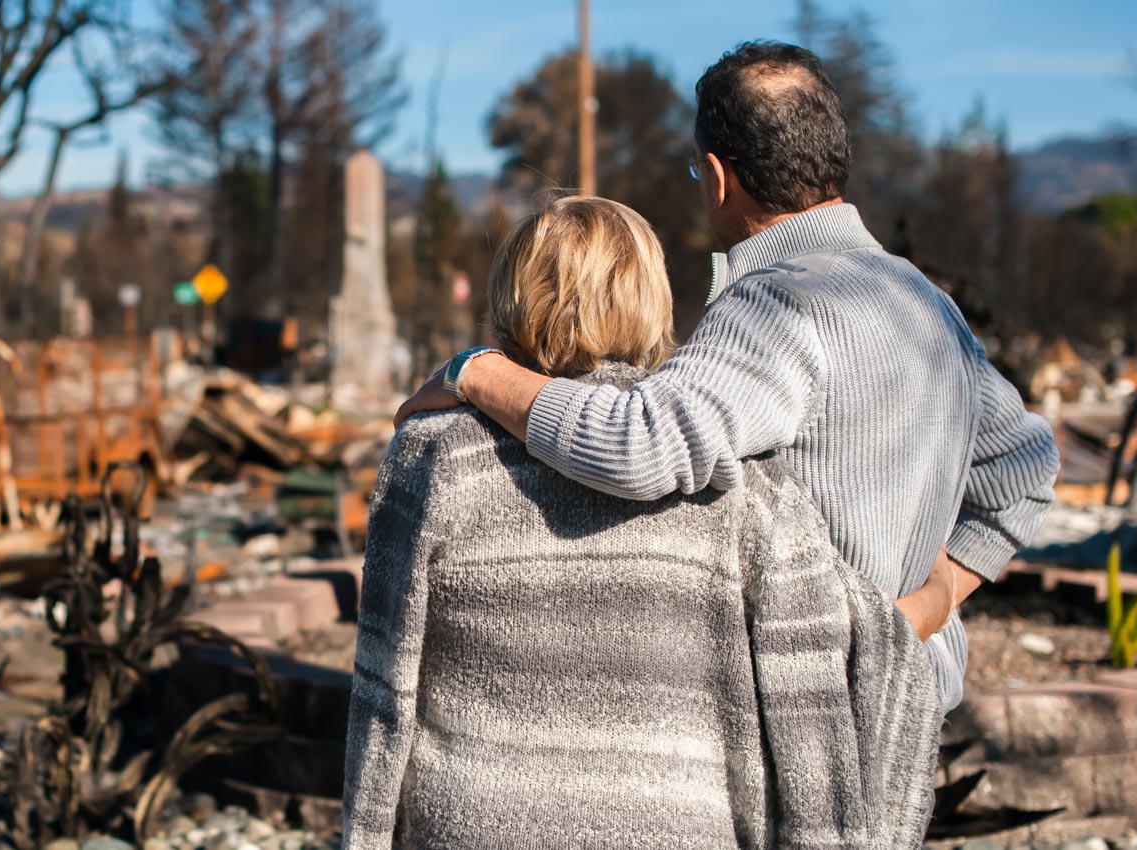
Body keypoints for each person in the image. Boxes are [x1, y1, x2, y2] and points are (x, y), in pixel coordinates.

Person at [395, 41, 1061, 713]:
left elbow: (637, 445)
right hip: (912, 704)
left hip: (813, 718)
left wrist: (473, 371)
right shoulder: (922, 302)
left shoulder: (778, 301)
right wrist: (936, 596)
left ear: (716, 176)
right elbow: (1024, 470)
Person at [343, 194, 938, 850]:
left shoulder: (432, 454)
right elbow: (809, 688)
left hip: (474, 824)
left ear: (508, 296)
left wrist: (366, 835)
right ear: (650, 297)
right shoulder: (738, 479)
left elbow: (383, 685)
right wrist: (935, 596)